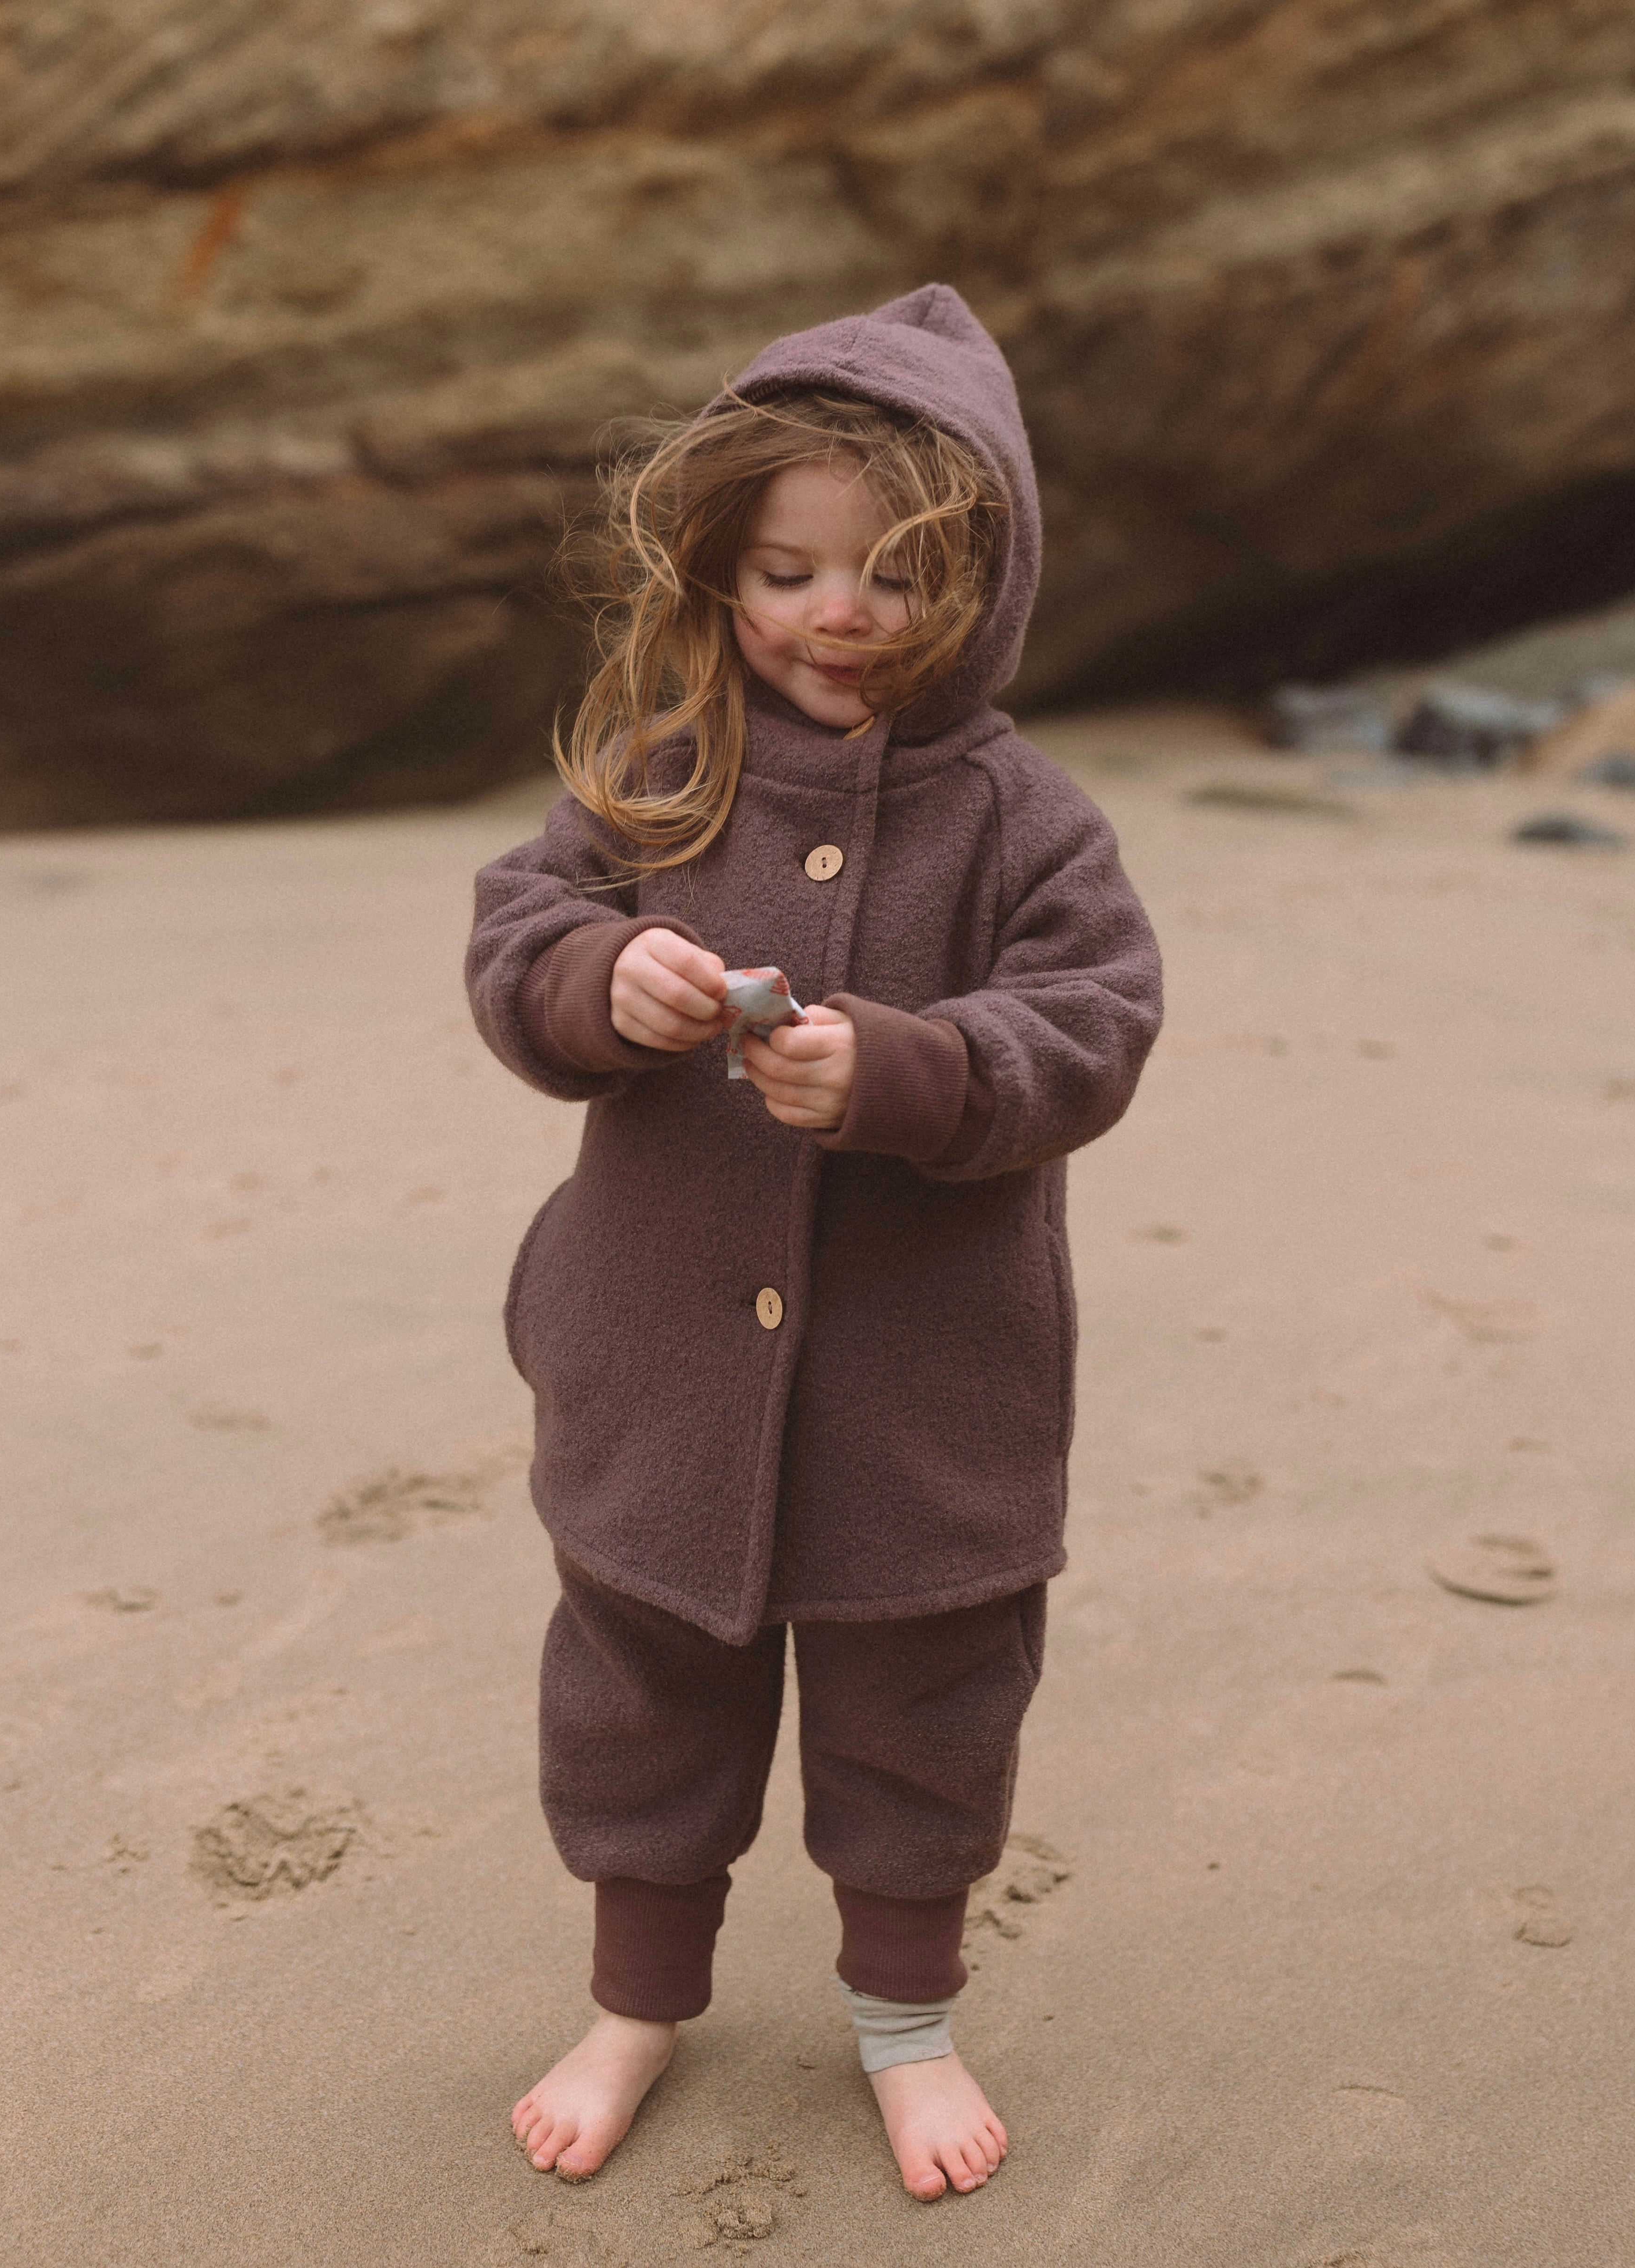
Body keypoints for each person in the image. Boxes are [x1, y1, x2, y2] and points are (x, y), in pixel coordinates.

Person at [466, 284, 1162, 2201]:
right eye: (787, 569)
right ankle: (634, 1999)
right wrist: (612, 977)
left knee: (925, 1705)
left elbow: (1095, 1027)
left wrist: (920, 1072)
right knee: (640, 1694)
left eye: (891, 577)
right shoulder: (660, 763)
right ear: (720, 565)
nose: (833, 614)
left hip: (925, 1396)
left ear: (983, 586)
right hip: (659, 1364)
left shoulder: (1030, 818)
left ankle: (905, 2016)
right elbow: (514, 941)